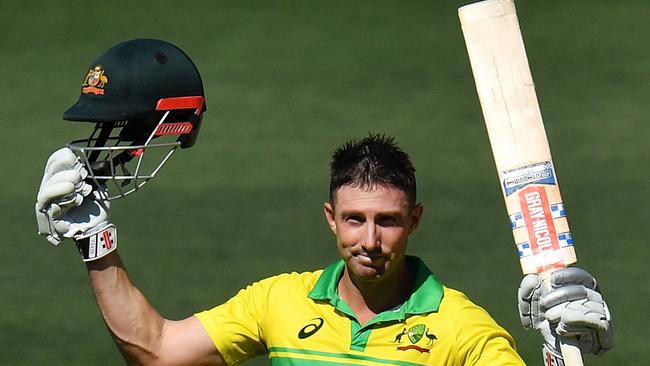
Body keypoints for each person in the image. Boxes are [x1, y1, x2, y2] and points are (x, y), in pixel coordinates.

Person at [36, 40, 612, 365]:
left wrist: (565, 357)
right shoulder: (279, 302)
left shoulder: (462, 331)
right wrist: (95, 243)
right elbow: (157, 352)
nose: (369, 241)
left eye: (387, 221)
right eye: (355, 219)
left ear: (415, 221)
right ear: (330, 218)